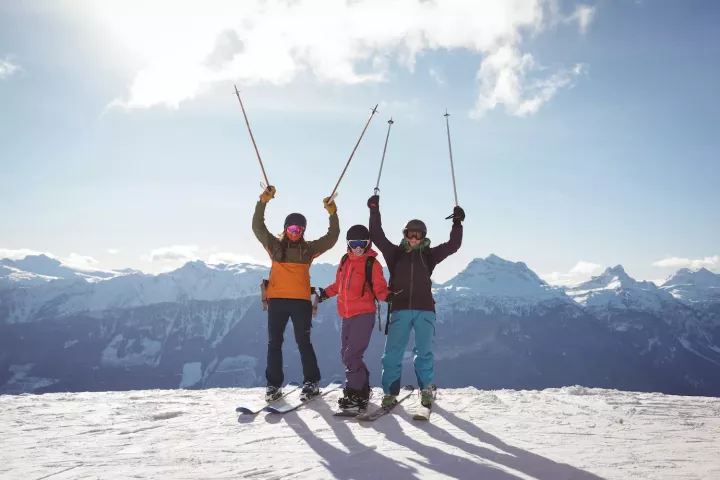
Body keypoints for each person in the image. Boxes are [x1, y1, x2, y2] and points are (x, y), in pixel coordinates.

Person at [367, 194, 464, 408]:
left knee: (424, 353)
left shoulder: (429, 255)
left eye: (417, 235)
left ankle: (426, 390)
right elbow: (376, 234)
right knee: (392, 354)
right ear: (405, 235)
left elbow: (454, 244)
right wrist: (374, 210)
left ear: (423, 236)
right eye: (410, 234)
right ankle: (390, 393)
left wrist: (457, 223)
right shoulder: (394, 254)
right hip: (400, 308)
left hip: (425, 310)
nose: (413, 238)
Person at [252, 185, 340, 402]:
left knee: (303, 342)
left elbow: (332, 237)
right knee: (275, 343)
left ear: (303, 231)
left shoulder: (308, 249)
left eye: (299, 230)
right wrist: (262, 201)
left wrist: (332, 214)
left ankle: (311, 382)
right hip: (278, 301)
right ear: (285, 228)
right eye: (291, 229)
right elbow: (257, 227)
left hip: (300, 302)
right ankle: (273, 386)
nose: (295, 233)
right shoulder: (274, 246)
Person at [318, 224, 393, 412]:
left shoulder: (372, 264)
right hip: (346, 314)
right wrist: (324, 294)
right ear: (348, 244)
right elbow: (339, 285)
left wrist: (391, 297)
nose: (358, 248)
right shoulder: (345, 261)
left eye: (362, 243)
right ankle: (362, 388)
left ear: (368, 244)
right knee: (346, 354)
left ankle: (355, 393)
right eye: (354, 243)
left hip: (364, 314)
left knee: (352, 354)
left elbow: (380, 289)